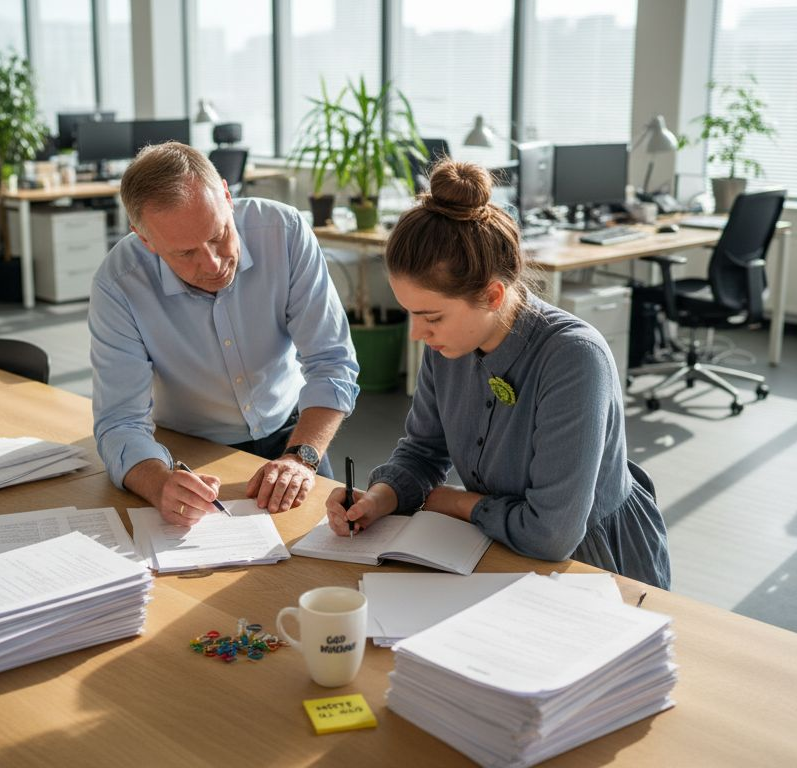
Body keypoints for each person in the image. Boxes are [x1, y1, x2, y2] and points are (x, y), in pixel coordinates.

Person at [323, 161, 670, 588]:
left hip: (590, 565)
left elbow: (553, 535)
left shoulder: (575, 359)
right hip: (493, 546)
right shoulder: (446, 342)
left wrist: (454, 502)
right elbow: (423, 452)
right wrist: (379, 498)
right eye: (410, 313)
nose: (416, 333)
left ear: (492, 295)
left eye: (430, 316)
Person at [91, 142, 359, 528]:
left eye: (218, 235)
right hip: (187, 450)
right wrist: (158, 484)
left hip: (296, 434)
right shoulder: (118, 284)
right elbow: (119, 421)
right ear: (145, 240)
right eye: (185, 253)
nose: (214, 264)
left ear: (228, 196)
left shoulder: (284, 231)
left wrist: (301, 457)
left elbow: (331, 362)